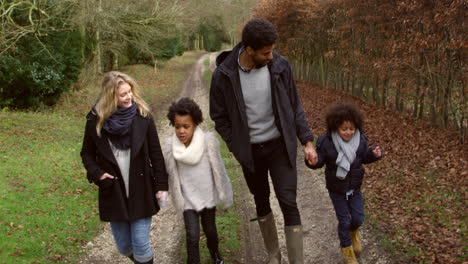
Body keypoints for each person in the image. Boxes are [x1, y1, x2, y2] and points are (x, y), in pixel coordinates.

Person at [209, 18, 317, 263]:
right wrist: (235, 144)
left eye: (272, 50)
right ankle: (273, 255)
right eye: (265, 52)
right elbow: (219, 117)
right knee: (261, 200)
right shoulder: (223, 75)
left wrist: (307, 141)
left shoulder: (280, 66)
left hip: (280, 147)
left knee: (288, 201)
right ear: (249, 50)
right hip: (250, 152)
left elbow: (294, 105)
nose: (271, 56)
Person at [80, 71, 168, 264]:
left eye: (130, 92)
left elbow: (156, 154)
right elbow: (86, 153)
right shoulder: (95, 121)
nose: (129, 97)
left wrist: (162, 186)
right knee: (124, 247)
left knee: (141, 245)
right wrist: (98, 174)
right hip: (114, 191)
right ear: (111, 97)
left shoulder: (143, 116)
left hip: (141, 188)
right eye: (123, 94)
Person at [305, 103, 382, 264]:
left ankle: (354, 233)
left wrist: (373, 154)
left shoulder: (360, 140)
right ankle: (347, 251)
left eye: (351, 128)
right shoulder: (326, 142)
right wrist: (313, 161)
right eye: (344, 129)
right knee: (344, 221)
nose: (348, 132)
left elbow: (363, 158)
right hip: (337, 190)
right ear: (336, 127)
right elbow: (320, 160)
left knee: (358, 218)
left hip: (354, 189)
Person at [162, 97, 233, 264]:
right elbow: (169, 173)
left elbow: (219, 169)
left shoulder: (207, 143)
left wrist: (223, 190)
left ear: (195, 124)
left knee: (210, 231)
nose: (181, 131)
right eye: (177, 126)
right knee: (192, 235)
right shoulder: (172, 149)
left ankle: (215, 254)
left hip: (207, 196)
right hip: (188, 199)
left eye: (186, 126)